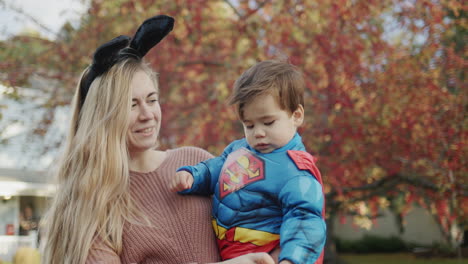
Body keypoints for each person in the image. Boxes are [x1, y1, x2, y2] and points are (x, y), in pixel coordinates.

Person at [40, 15, 274, 264]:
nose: (147, 115)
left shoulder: (198, 162)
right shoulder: (91, 203)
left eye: (152, 100)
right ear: (104, 116)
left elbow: (256, 226)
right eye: (131, 105)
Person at [170, 60, 327, 264]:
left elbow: (305, 220)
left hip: (265, 255)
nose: (258, 133)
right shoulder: (239, 149)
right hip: (228, 251)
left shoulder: (296, 171)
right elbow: (217, 170)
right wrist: (192, 176)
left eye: (268, 122)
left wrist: (291, 260)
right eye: (249, 125)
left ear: (296, 115)